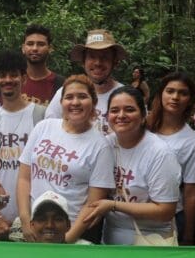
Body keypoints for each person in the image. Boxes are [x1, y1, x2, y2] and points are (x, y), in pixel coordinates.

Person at [18, 75, 116, 243]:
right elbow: (24, 178)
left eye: (82, 97)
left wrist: (67, 241)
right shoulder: (43, 127)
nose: (75, 102)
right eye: (69, 97)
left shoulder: (101, 146)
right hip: (35, 228)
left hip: (70, 231)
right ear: (61, 102)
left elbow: (93, 204)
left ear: (93, 102)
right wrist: (26, 220)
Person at [77, 87, 180, 245]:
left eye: (129, 110)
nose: (121, 115)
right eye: (114, 110)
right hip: (110, 240)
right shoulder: (105, 144)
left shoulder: (160, 154)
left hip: (151, 242)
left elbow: (165, 211)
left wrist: (114, 205)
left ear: (143, 115)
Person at [0, 51, 46, 237]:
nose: (7, 80)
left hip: (36, 215)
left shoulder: (41, 116)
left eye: (13, 75)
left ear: (24, 78)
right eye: (2, 75)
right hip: (0, 217)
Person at [146, 71, 195, 244]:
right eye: (170, 91)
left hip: (170, 219)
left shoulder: (193, 143)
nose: (175, 97)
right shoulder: (142, 127)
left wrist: (188, 235)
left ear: (190, 100)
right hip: (129, 213)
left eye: (183, 93)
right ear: (161, 94)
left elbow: (191, 193)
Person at [44, 29, 126, 134]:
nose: (98, 63)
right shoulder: (66, 94)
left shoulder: (126, 96)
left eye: (105, 57)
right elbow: (49, 130)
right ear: (83, 61)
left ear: (115, 62)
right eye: (92, 56)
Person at [26, 191, 91, 244]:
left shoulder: (87, 251)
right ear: (32, 225)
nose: (49, 225)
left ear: (68, 225)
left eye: (57, 219)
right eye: (42, 219)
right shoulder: (22, 252)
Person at [21, 24, 63, 105]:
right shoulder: (12, 81)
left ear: (50, 48)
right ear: (23, 48)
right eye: (30, 44)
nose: (35, 48)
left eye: (41, 44)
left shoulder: (61, 85)